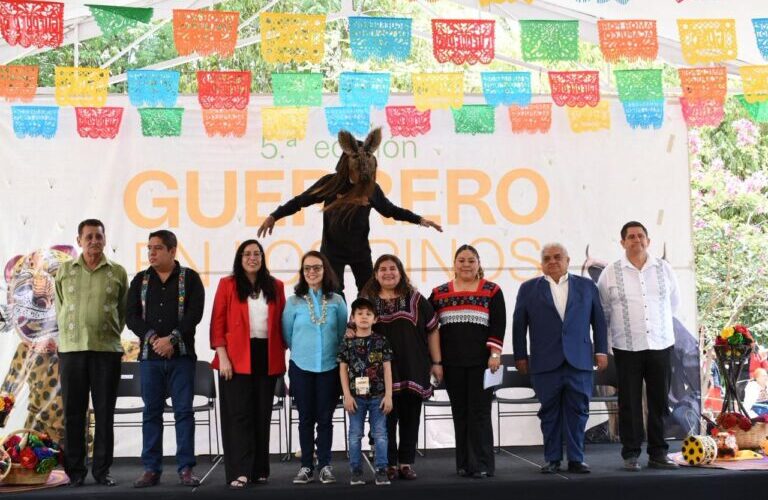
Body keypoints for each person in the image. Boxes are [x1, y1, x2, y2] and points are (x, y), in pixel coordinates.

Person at [257, 128, 441, 297]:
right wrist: (275, 216)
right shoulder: (331, 183)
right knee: (334, 294)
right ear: (348, 164)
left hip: (360, 250)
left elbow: (390, 210)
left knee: (369, 293)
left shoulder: (371, 188)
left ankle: (367, 330)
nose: (361, 173)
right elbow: (300, 201)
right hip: (332, 250)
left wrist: (419, 219)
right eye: (357, 167)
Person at [512, 243, 608, 474]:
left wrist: (601, 351)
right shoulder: (528, 289)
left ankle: (576, 458)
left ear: (567, 260)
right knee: (549, 412)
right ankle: (552, 458)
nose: (552, 261)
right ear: (541, 263)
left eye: (557, 257)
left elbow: (599, 321)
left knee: (579, 410)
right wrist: (520, 356)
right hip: (545, 362)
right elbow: (518, 326)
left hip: (580, 361)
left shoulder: (587, 286)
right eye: (547, 258)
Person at [597, 221, 680, 471]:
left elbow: (673, 304)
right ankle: (630, 454)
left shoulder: (664, 269)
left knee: (659, 402)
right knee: (629, 403)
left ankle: (658, 454)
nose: (636, 240)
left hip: (661, 344)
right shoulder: (610, 272)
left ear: (648, 240)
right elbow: (604, 310)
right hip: (626, 347)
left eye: (641, 236)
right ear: (622, 242)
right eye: (631, 237)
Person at [126, 230, 205, 487]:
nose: (151, 252)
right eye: (149, 248)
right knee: (151, 413)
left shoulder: (190, 279)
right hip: (150, 358)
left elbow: (194, 314)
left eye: (158, 248)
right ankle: (151, 469)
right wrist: (154, 339)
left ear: (172, 250)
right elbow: (131, 317)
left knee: (183, 412)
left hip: (181, 357)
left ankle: (185, 469)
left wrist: (171, 340)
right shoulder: (140, 280)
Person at [54, 219, 128, 487]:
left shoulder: (117, 272)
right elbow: (60, 305)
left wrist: (107, 332)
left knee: (105, 411)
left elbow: (123, 310)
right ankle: (75, 471)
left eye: (98, 236)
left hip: (106, 351)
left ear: (105, 240)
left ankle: (101, 471)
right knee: (73, 412)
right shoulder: (64, 271)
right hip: (72, 352)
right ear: (79, 241)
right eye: (89, 237)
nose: (94, 241)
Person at [209, 239, 287, 488]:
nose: (252, 258)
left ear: (263, 258)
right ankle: (238, 471)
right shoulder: (227, 284)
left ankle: (258, 469)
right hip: (234, 357)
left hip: (267, 355)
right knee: (238, 415)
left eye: (257, 254)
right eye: (247, 254)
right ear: (240, 259)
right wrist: (223, 357)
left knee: (261, 414)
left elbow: (283, 326)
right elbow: (217, 323)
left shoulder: (276, 286)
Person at [359, 254, 441, 481]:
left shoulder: (415, 299)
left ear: (400, 272)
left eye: (392, 268)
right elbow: (354, 331)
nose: (388, 273)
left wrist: (437, 362)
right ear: (375, 274)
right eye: (382, 269)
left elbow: (433, 329)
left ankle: (406, 463)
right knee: (384, 418)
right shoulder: (367, 302)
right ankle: (389, 463)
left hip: (413, 367)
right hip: (378, 372)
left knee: (410, 415)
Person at [429, 244, 505, 479]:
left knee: (480, 413)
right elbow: (429, 327)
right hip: (451, 364)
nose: (466, 264)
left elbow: (498, 324)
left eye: (471, 260)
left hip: (483, 364)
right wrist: (436, 363)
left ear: (478, 263)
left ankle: (482, 464)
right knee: (459, 412)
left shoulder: (492, 290)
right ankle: (463, 464)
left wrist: (495, 354)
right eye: (461, 260)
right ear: (454, 264)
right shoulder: (439, 293)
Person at [283, 251, 348, 484]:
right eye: (307, 268)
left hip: (330, 367)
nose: (312, 272)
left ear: (325, 270)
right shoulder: (293, 302)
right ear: (302, 272)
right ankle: (306, 467)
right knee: (305, 418)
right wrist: (304, 351)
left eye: (317, 267)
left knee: (325, 418)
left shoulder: (337, 300)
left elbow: (342, 334)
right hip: (301, 366)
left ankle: (325, 465)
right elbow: (287, 335)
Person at [338, 297, 393, 486]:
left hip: (378, 396)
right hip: (355, 398)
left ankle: (381, 470)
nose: (364, 317)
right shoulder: (347, 342)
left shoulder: (381, 341)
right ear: (352, 317)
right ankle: (356, 470)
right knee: (355, 434)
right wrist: (346, 395)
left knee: (380, 434)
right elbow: (343, 369)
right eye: (359, 313)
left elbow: (387, 369)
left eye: (368, 314)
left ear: (375, 319)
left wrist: (389, 395)